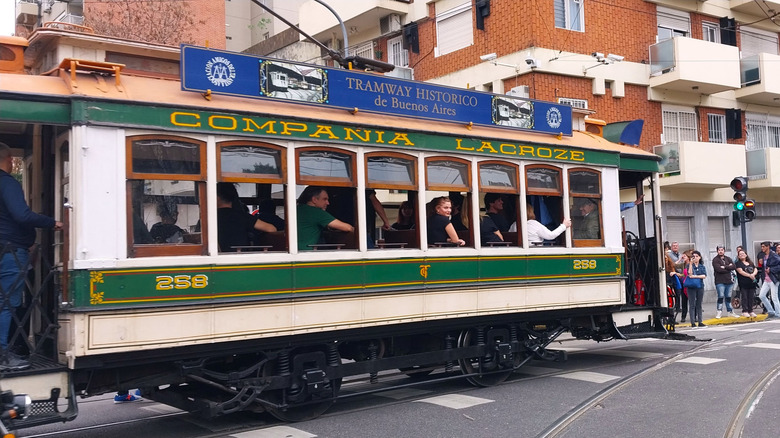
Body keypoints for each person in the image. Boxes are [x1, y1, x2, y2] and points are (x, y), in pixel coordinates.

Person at [0, 142, 62, 371]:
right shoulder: (6, 182)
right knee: (7, 303)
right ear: (8, 160)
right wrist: (51, 222)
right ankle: (3, 357)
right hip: (9, 252)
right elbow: (22, 215)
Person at [216, 183, 276, 252]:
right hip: (241, 256)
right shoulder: (241, 216)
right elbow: (271, 229)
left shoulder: (208, 219)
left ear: (217, 198)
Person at [296, 186, 354, 251]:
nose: (328, 203)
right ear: (314, 199)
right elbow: (347, 228)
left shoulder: (298, 209)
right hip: (306, 252)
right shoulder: (316, 212)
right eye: (324, 199)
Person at [712, 245, 738, 318]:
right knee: (720, 296)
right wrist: (728, 267)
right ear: (717, 251)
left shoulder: (728, 258)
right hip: (720, 281)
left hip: (729, 281)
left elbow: (733, 267)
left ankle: (730, 311)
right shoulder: (715, 260)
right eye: (719, 250)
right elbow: (718, 269)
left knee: (728, 297)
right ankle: (719, 311)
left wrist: (725, 266)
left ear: (724, 251)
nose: (721, 251)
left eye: (722, 250)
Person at [757, 241, 780, 319]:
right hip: (766, 279)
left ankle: (778, 314)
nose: (762, 248)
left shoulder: (774, 255)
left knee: (774, 297)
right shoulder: (765, 256)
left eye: (763, 246)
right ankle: (771, 311)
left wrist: (771, 270)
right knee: (761, 295)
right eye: (762, 247)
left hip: (773, 279)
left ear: (768, 247)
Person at [686, 250, 707, 327]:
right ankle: (692, 322)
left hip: (700, 286)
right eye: (693, 257)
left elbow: (704, 276)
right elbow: (689, 274)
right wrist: (691, 264)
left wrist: (695, 276)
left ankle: (700, 321)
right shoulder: (689, 265)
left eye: (697, 256)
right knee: (692, 304)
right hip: (691, 286)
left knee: (699, 304)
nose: (695, 258)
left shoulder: (702, 266)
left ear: (700, 257)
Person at [735, 249, 758, 318]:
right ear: (738, 256)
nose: (742, 255)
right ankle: (745, 311)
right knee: (744, 297)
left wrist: (753, 274)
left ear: (746, 255)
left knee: (751, 297)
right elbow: (740, 271)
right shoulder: (738, 263)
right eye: (740, 254)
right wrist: (749, 275)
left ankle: (751, 310)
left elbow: (755, 269)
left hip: (751, 283)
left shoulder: (750, 262)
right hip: (743, 283)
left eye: (743, 253)